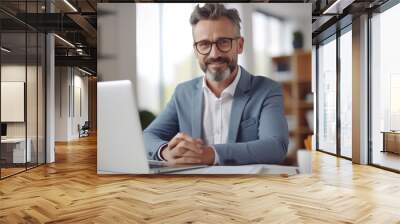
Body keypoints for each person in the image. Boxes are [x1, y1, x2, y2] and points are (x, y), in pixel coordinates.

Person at [143, 3, 288, 166]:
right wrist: (165, 152)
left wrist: (212, 154)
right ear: (196, 50)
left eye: (223, 42)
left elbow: (276, 147)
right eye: (204, 44)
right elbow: (147, 136)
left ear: (239, 45)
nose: (214, 54)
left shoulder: (267, 90)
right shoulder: (183, 93)